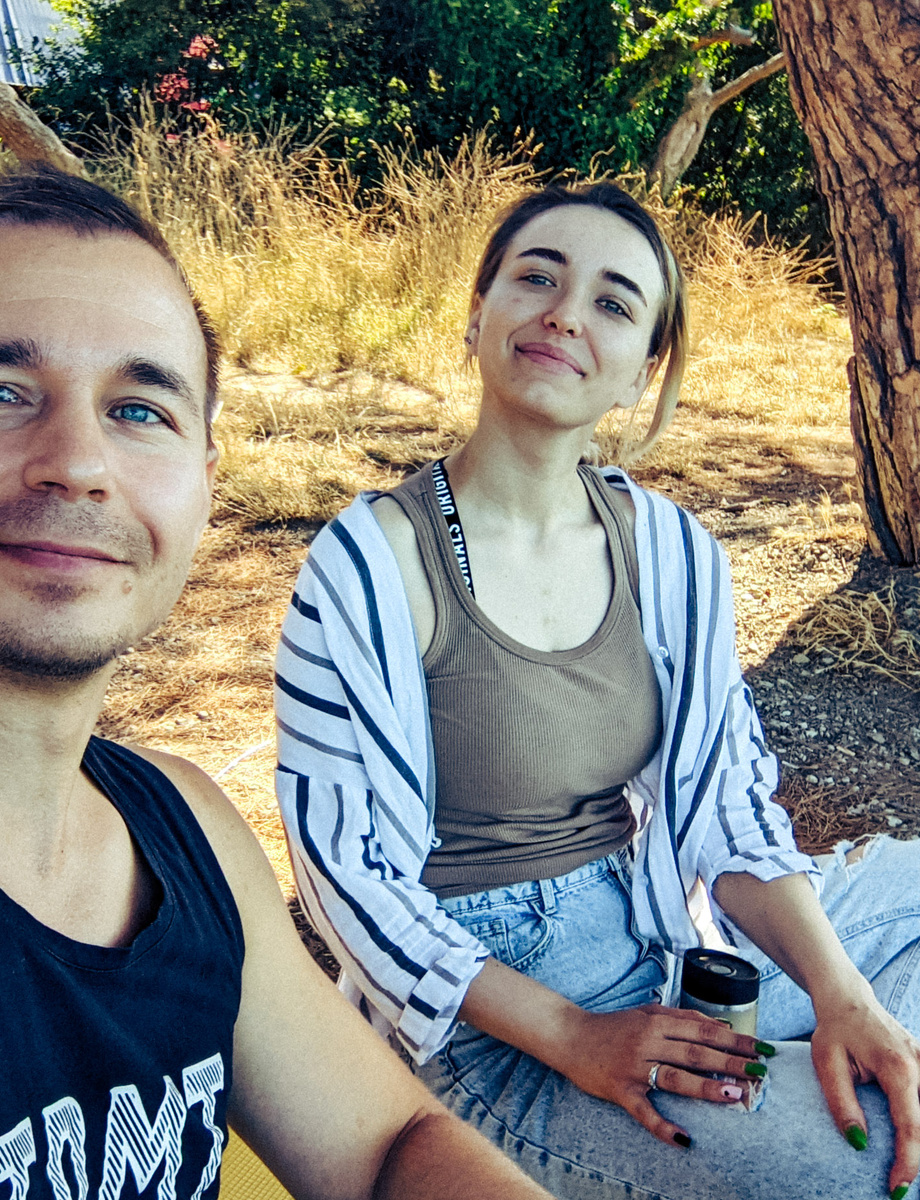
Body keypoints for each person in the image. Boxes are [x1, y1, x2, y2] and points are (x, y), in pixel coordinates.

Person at [0, 167, 555, 1200]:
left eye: (139, 409)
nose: (77, 462)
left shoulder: (187, 828)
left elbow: (389, 1146)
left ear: (203, 484)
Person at [274, 181, 920, 1200]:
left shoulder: (670, 551)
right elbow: (345, 881)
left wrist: (844, 996)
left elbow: (726, 811)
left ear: (640, 372)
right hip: (498, 1029)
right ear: (478, 314)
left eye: (614, 302)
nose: (567, 314)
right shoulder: (370, 562)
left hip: (664, 933)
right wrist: (573, 1033)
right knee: (874, 1159)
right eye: (537, 277)